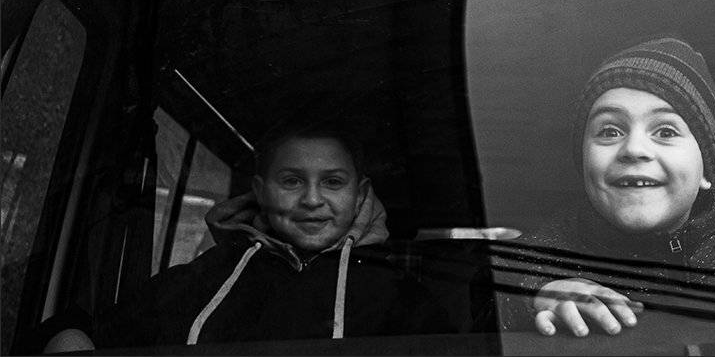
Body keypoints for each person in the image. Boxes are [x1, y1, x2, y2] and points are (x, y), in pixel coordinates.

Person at [510, 36, 715, 338]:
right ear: (584, 164)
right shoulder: (524, 260)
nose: (634, 148)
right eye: (609, 130)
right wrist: (534, 297)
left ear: (707, 171)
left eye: (666, 131)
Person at [70, 122, 453, 348]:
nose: (312, 199)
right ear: (261, 190)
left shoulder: (400, 299)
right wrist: (68, 336)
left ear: (360, 195)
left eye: (333, 182)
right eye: (291, 181)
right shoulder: (205, 277)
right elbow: (91, 331)